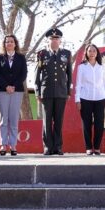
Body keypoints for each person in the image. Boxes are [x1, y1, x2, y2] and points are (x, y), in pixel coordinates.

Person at [36, 28, 73, 156]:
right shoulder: (42, 54)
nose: (54, 40)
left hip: (61, 92)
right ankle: (47, 147)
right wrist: (37, 91)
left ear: (60, 40)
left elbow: (69, 74)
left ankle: (58, 147)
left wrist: (68, 91)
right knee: (47, 121)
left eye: (56, 38)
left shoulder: (66, 54)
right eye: (52, 38)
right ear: (48, 40)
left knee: (58, 120)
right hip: (46, 92)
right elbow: (37, 75)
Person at [0, 34, 27, 157]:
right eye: (7, 42)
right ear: (4, 44)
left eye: (11, 41)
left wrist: (13, 86)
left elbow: (23, 74)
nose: (9, 43)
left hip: (17, 91)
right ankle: (3, 144)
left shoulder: (21, 58)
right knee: (4, 119)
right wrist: (6, 86)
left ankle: (13, 145)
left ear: (15, 43)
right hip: (3, 91)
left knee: (13, 119)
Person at [76, 44, 105, 155]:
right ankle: (89, 147)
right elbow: (78, 84)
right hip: (85, 98)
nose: (92, 53)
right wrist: (77, 100)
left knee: (99, 124)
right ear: (86, 53)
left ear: (97, 53)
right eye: (89, 51)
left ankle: (97, 147)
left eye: (94, 51)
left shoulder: (102, 66)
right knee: (86, 124)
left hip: (100, 98)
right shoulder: (82, 67)